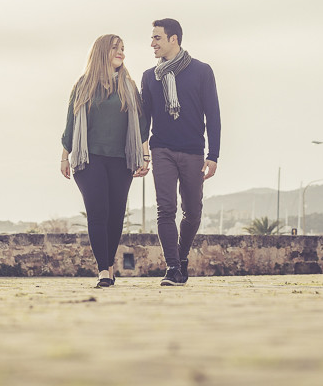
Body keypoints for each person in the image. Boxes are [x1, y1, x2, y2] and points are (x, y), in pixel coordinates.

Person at [61, 34, 150, 288]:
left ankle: (110, 264)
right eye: (115, 48)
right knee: (98, 213)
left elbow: (142, 125)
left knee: (116, 215)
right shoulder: (83, 85)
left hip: (121, 159)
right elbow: (70, 122)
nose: (121, 52)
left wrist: (145, 155)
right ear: (102, 52)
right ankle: (103, 270)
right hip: (89, 159)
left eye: (123, 49)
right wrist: (65, 156)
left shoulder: (129, 86)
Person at [141, 18, 220, 286]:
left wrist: (214, 155)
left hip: (194, 152)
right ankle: (172, 267)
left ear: (173, 39)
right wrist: (143, 150)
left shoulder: (202, 71)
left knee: (193, 212)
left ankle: (182, 257)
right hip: (161, 149)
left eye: (157, 38)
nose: (152, 43)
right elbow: (144, 119)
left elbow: (214, 115)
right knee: (165, 209)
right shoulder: (149, 77)